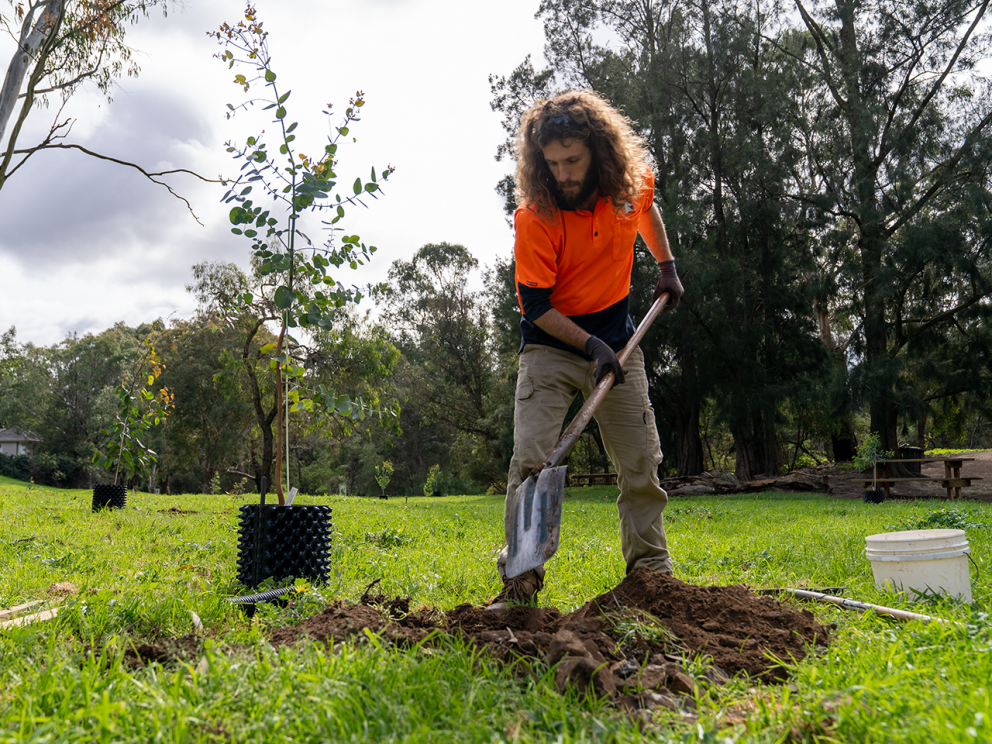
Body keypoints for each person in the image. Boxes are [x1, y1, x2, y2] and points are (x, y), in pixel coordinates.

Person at [488, 90, 684, 610]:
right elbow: (534, 305)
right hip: (550, 348)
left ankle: (651, 575)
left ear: (598, 150)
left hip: (619, 345)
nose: (563, 173)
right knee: (531, 462)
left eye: (572, 160)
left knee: (641, 462)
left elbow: (646, 209)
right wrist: (590, 343)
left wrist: (665, 266)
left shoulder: (627, 187)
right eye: (551, 163)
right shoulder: (537, 215)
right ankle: (521, 578)